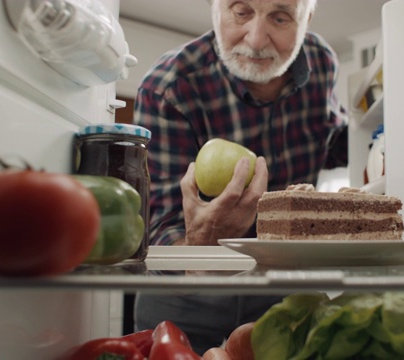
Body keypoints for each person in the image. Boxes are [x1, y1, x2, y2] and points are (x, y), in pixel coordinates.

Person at [132, 0, 348, 354]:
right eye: (241, 11)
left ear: (307, 19)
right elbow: (160, 228)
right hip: (186, 296)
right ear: (214, 8)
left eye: (280, 17)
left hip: (285, 285)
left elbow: (329, 138)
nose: (256, 39)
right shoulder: (169, 86)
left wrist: (380, 143)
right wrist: (203, 247)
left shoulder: (321, 63)